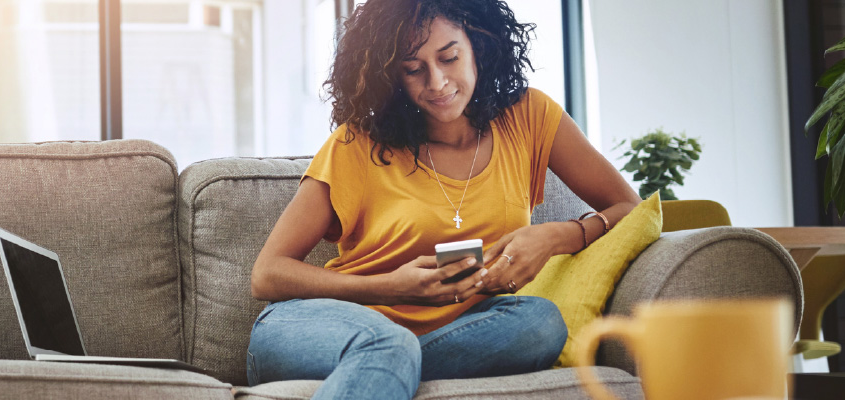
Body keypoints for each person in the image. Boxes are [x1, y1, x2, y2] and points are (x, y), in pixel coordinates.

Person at [246, 0, 643, 398]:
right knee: (389, 344)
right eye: (413, 69)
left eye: (449, 57)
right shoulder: (357, 143)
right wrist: (390, 287)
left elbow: (629, 208)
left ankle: (388, 371)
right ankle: (388, 358)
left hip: (457, 331)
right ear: (393, 76)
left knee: (541, 322)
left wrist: (558, 237)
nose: (436, 82)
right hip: (319, 327)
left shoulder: (529, 116)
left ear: (478, 45)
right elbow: (267, 274)